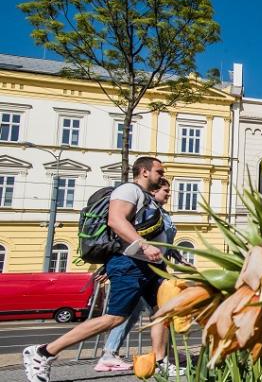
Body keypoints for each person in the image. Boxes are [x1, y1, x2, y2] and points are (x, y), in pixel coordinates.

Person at [23, 157, 184, 382]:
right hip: (131, 264)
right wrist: (145, 246)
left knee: (161, 314)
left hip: (151, 266)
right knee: (113, 318)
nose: (161, 174)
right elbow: (116, 221)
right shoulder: (129, 190)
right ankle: (43, 352)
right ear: (145, 172)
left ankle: (159, 361)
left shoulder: (148, 198)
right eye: (159, 171)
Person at [94, 177, 179, 372]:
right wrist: (108, 266)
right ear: (155, 191)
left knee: (160, 312)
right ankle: (109, 354)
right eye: (165, 191)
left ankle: (163, 356)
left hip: (154, 268)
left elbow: (164, 242)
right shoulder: (145, 210)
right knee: (124, 315)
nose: (168, 194)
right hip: (137, 267)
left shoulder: (161, 213)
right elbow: (124, 237)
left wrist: (175, 254)